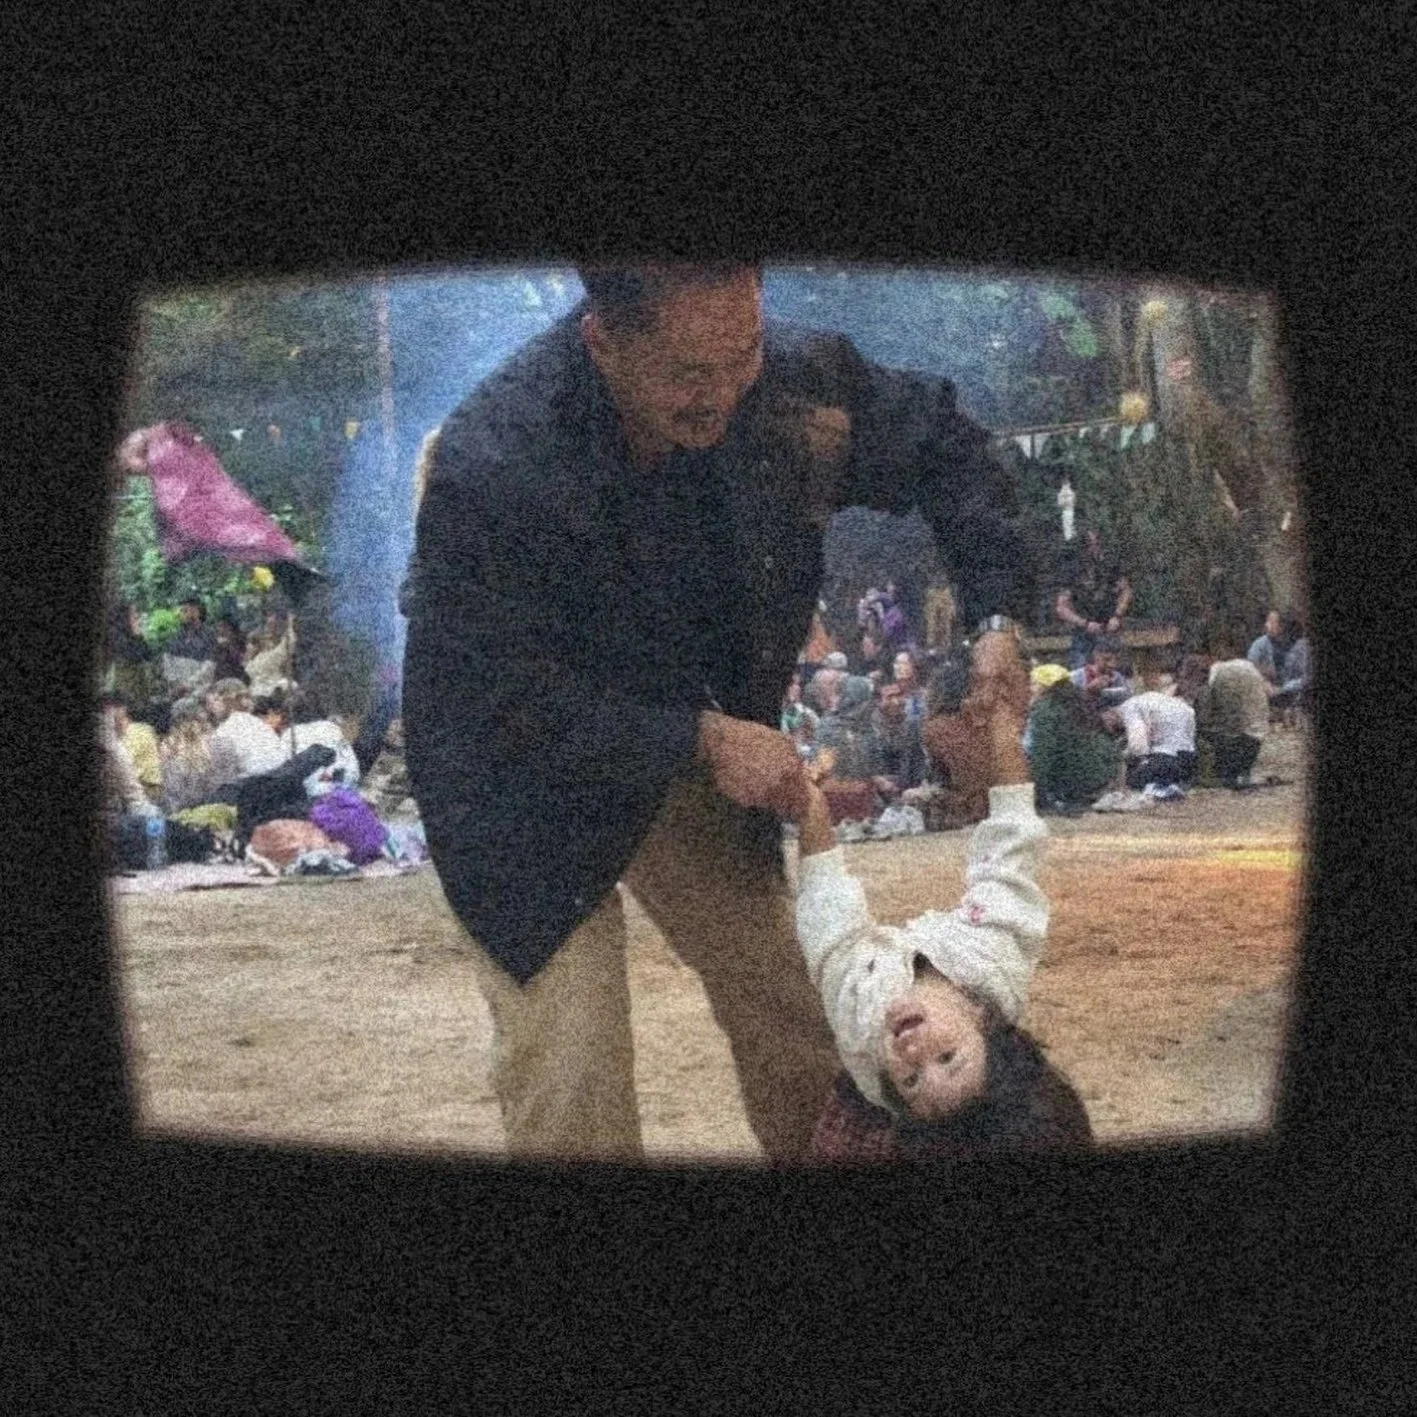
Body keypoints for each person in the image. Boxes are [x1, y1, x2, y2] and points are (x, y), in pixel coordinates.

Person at [400, 260, 1038, 1163]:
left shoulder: (792, 385)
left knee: (807, 1010)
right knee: (571, 1070)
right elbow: (494, 689)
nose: (725, 396)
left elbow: (949, 448)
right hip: (521, 778)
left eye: (739, 355)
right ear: (602, 340)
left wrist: (997, 621)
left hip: (694, 744)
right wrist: (695, 735)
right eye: (687, 376)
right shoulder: (494, 458)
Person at [780, 634, 1089, 1158]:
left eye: (913, 1081)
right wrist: (1002, 731)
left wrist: (808, 806)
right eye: (949, 1058)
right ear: (983, 1020)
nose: (915, 1054)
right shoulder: (995, 959)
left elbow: (828, 918)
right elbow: (1013, 839)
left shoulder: (862, 1025)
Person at [1054, 521, 1132, 669]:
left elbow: (1126, 591)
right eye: (1090, 545)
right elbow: (1061, 607)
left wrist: (1117, 615)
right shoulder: (1072, 571)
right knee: (1081, 674)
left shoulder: (1109, 565)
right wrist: (1084, 623)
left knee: (1117, 673)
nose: (1094, 549)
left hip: (1109, 629)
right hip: (1083, 633)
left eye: (1097, 544)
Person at [1198, 635, 1272, 788]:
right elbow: (1267, 694)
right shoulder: (1249, 667)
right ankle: (1241, 772)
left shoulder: (1217, 670)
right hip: (1255, 742)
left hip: (1235, 743)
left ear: (1207, 657)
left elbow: (1210, 712)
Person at [1109, 671, 1198, 791]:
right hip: (1189, 762)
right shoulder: (1176, 703)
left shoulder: (1129, 706)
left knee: (1130, 782)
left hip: (1164, 761)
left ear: (1110, 711)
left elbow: (1138, 746)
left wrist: (1123, 756)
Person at [1068, 636, 1132, 707]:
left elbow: (1128, 701)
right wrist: (1088, 690)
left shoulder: (1118, 678)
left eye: (1116, 660)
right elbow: (1069, 704)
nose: (1112, 665)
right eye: (1106, 659)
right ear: (1096, 655)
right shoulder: (1076, 676)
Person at [1246, 609, 1287, 688]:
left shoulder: (1288, 644)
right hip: (1264, 686)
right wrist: (1266, 671)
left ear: (1281, 626)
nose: (1267, 625)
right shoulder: (1259, 644)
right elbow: (1250, 667)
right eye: (1268, 621)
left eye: (1272, 622)